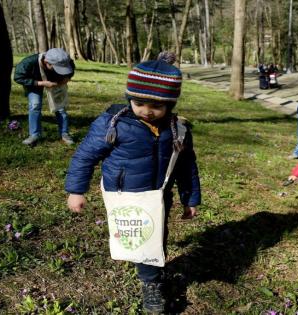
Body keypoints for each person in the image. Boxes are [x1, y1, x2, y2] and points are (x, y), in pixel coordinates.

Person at [64, 52, 201, 313]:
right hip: (124, 195)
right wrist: (76, 190)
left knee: (155, 238)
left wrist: (190, 198)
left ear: (170, 104)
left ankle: (151, 278)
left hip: (158, 196)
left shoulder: (177, 130)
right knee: (136, 238)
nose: (147, 111)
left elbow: (186, 166)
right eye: (139, 103)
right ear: (130, 98)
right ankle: (149, 276)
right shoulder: (113, 123)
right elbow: (85, 156)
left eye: (157, 106)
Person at [14, 48, 75, 146]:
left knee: (61, 108)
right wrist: (40, 83)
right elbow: (18, 77)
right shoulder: (28, 62)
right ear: (46, 62)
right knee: (35, 105)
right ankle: (34, 135)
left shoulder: (64, 60)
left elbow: (71, 69)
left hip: (56, 82)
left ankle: (65, 133)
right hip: (35, 83)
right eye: (57, 67)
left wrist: (67, 78)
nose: (60, 70)